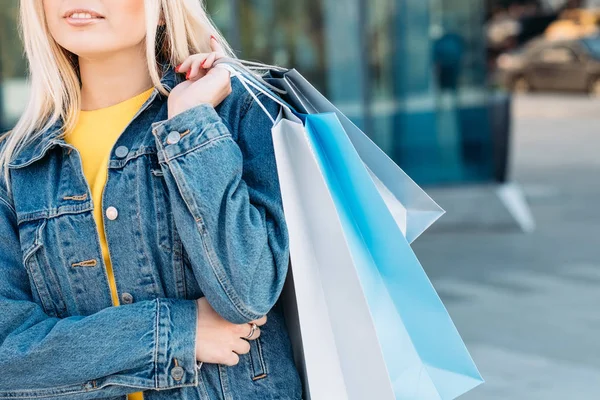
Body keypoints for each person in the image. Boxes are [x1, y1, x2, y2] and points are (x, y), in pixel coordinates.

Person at [0, 1, 302, 399]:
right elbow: (9, 356)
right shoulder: (14, 167)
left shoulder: (236, 111)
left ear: (163, 8)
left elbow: (247, 295)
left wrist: (189, 126)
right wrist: (175, 333)